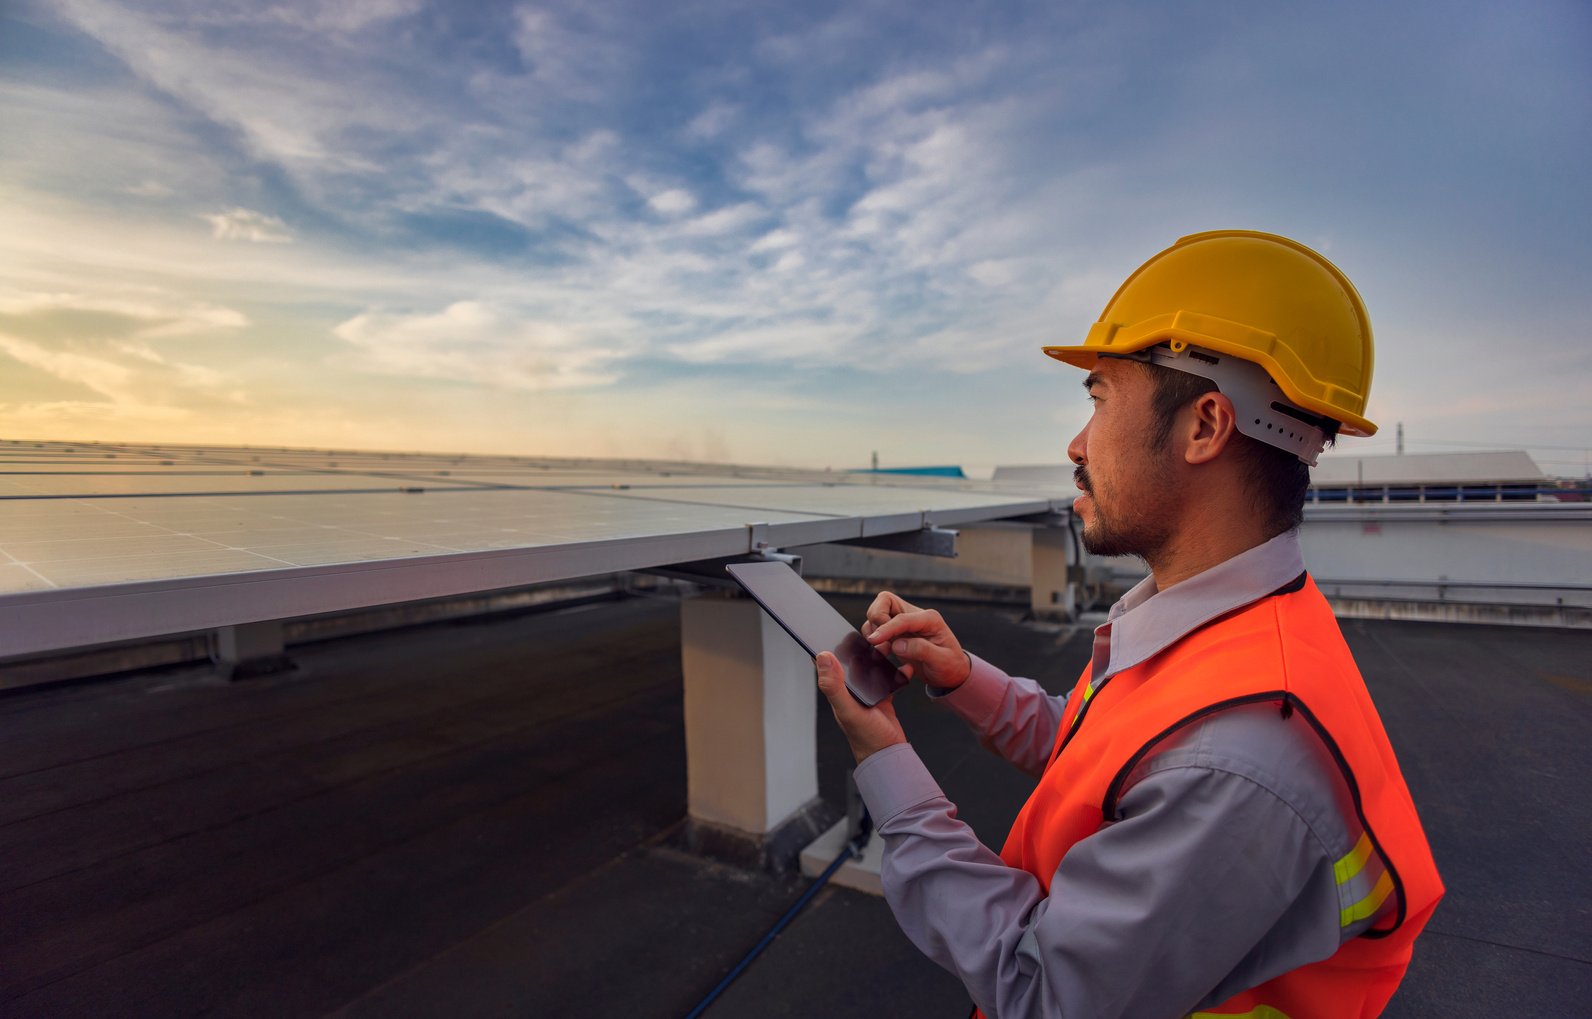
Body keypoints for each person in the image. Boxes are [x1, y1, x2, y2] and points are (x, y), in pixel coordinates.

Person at [814, 231, 1444, 1019]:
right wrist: (964, 677)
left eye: (1101, 397)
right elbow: (1102, 757)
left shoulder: (1242, 754)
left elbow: (1043, 992)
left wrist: (888, 766)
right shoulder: (1228, 631)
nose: (1076, 444)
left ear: (1205, 426)